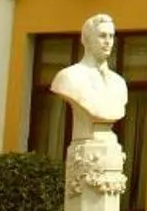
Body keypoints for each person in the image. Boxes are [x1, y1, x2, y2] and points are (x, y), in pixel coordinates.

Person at [50, 14, 129, 207]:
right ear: (86, 39)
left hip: (107, 146)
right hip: (84, 144)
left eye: (111, 36)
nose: (108, 42)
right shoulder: (68, 78)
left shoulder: (119, 83)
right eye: (102, 36)